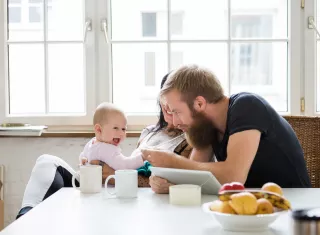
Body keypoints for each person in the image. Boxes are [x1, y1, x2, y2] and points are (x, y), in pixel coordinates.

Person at [16, 73, 192, 219]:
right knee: (46, 162)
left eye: (175, 103)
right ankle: (25, 217)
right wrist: (88, 163)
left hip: (122, 191)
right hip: (101, 185)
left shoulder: (189, 140)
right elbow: (125, 163)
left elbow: (173, 182)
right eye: (165, 100)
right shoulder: (149, 131)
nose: (169, 107)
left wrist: (113, 175)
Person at [142, 64, 312, 194]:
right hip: (250, 205)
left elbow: (233, 176)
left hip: (292, 202)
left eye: (177, 112)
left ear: (199, 103)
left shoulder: (247, 106)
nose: (175, 122)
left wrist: (172, 161)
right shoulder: (206, 125)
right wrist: (169, 185)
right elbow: (195, 172)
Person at [79, 102, 143, 170]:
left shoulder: (91, 143)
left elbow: (83, 155)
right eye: (115, 128)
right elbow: (125, 166)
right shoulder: (107, 149)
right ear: (99, 130)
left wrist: (83, 160)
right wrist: (142, 157)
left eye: (123, 129)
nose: (121, 133)